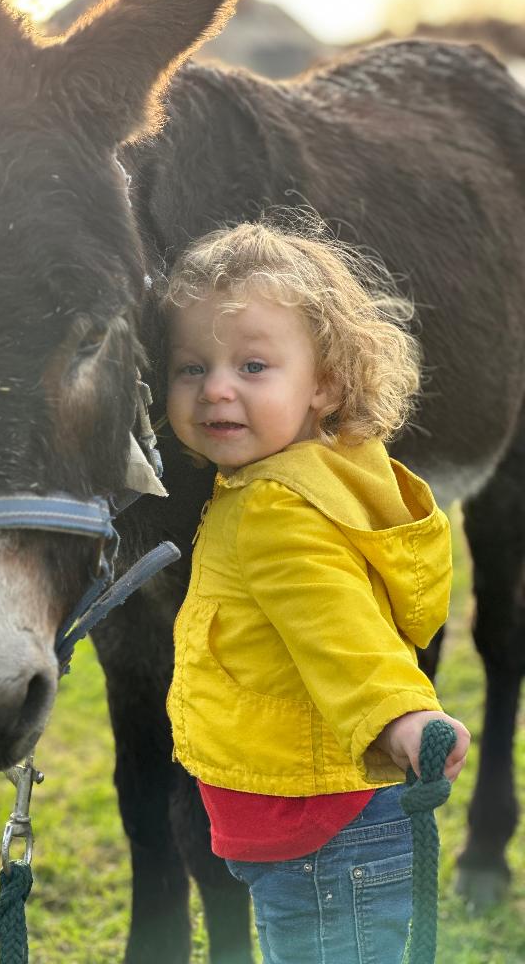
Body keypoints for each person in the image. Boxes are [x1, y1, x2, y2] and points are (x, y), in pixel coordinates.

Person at [163, 220, 470, 964]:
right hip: (317, 819)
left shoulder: (276, 510)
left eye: (254, 366)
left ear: (325, 382)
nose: (217, 389)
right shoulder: (330, 474)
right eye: (191, 367)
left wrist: (400, 717)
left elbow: (341, 631)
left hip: (324, 831)